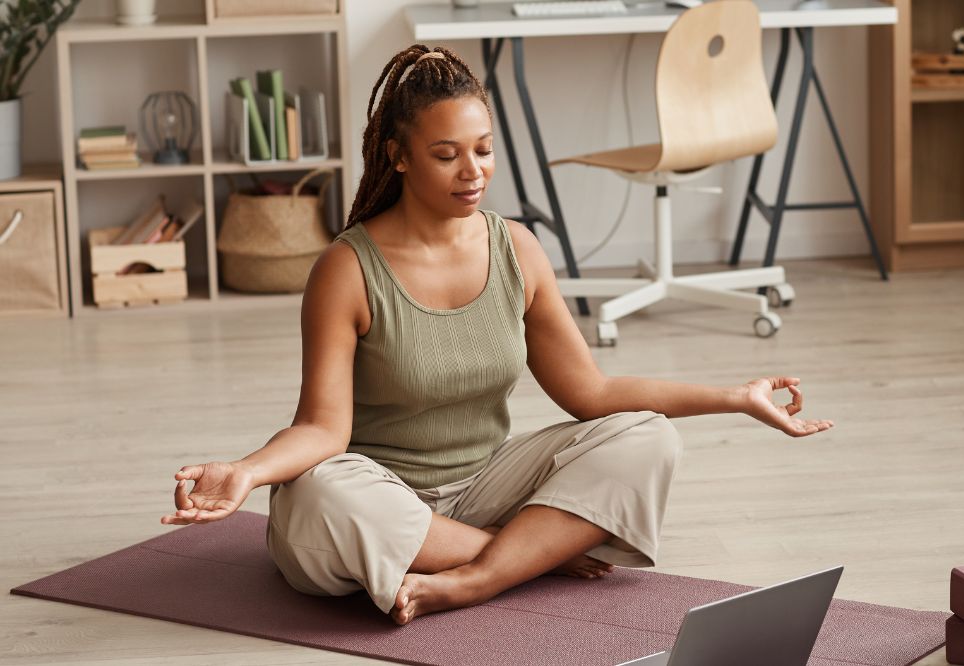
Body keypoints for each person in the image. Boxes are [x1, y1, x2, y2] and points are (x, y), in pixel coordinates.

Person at [160, 45, 833, 626]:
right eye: (446, 155)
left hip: (485, 480)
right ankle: (530, 552)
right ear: (396, 155)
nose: (472, 172)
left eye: (483, 151)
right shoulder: (346, 269)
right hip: (376, 489)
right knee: (316, 497)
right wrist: (246, 472)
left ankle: (476, 578)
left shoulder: (516, 248)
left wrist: (735, 397)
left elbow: (591, 392)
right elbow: (322, 432)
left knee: (647, 434)